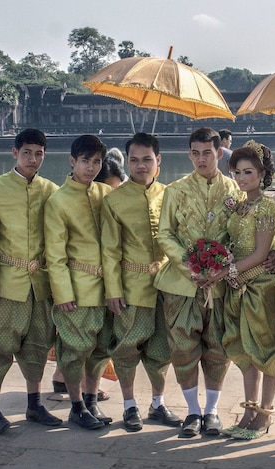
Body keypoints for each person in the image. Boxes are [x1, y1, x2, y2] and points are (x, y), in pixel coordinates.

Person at [155, 127, 241, 437]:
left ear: (219, 153)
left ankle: (213, 410)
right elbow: (164, 233)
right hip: (181, 283)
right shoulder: (175, 190)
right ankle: (192, 410)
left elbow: (239, 236)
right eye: (195, 153)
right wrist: (190, 265)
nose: (201, 159)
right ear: (189, 154)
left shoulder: (235, 191)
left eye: (207, 152)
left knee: (219, 347)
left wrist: (222, 265)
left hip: (219, 284)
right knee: (182, 347)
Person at [0, 128, 61, 434]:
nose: (33, 159)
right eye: (27, 153)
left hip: (39, 283)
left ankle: (34, 405)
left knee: (37, 346)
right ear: (15, 153)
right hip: (6, 282)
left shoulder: (51, 190)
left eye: (39, 154)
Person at [201, 141, 275, 440]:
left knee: (264, 349)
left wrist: (226, 271)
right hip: (237, 286)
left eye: (248, 172)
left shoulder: (265, 206)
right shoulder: (238, 205)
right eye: (237, 172)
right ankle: (249, 411)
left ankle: (265, 414)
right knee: (245, 352)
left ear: (262, 173)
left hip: (259, 286)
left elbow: (261, 253)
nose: (241, 178)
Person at [101, 132, 182, 432]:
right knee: (126, 347)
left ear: (158, 161)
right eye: (134, 160)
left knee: (162, 349)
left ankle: (158, 403)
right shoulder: (115, 200)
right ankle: (129, 405)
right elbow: (109, 250)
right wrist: (113, 290)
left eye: (147, 159)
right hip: (130, 284)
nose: (140, 165)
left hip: (165, 283)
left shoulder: (170, 194)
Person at [44, 134, 112, 430]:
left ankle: (91, 400)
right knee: (73, 351)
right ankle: (75, 405)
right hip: (76, 286)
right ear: (72, 161)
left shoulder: (105, 194)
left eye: (96, 162)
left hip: (106, 288)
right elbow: (55, 254)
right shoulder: (58, 200)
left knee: (99, 349)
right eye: (85, 161)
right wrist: (62, 293)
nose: (91, 167)